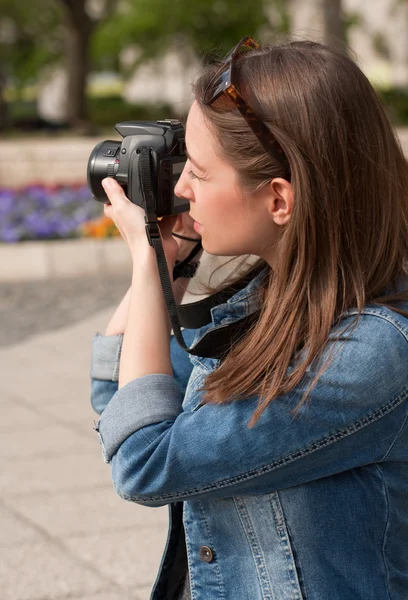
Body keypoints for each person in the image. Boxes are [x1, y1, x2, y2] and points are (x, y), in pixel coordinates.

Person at [90, 36, 408, 600]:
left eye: (201, 173)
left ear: (280, 200)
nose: (182, 190)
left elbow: (145, 461)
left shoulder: (369, 352)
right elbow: (124, 406)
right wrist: (164, 266)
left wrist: (145, 263)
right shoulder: (269, 300)